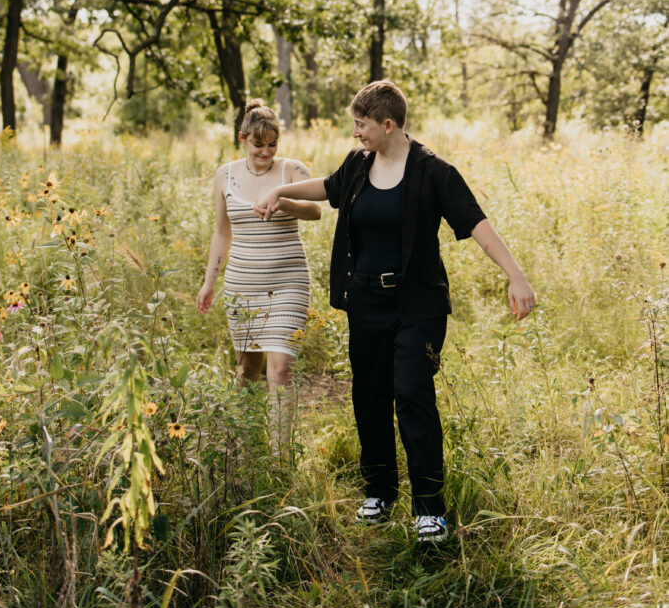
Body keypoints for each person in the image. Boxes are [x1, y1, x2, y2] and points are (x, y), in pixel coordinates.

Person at [255, 80, 536, 544]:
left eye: (361, 125)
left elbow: (477, 224)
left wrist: (516, 275)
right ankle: (380, 490)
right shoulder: (359, 164)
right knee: (369, 395)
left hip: (418, 304)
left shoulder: (433, 172)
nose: (355, 134)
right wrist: (279, 194)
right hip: (365, 301)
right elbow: (327, 188)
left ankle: (430, 508)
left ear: (388, 124)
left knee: (412, 394)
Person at [197, 100, 321, 454]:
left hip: (288, 282)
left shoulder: (291, 170)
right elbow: (222, 232)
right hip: (242, 284)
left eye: (272, 144)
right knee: (247, 374)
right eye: (258, 144)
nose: (266, 151)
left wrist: (283, 200)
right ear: (243, 138)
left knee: (280, 371)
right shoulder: (226, 174)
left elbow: (315, 211)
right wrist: (210, 282)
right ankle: (248, 451)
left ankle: (281, 459)